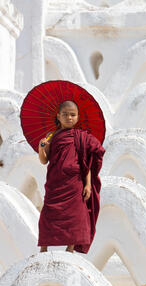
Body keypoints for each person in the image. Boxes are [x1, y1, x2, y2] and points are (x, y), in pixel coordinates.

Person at [38, 100, 105, 254]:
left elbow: (86, 163)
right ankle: (44, 248)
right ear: (58, 116)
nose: (69, 118)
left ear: (77, 117)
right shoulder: (51, 136)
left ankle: (71, 247)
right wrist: (41, 148)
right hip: (55, 183)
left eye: (73, 115)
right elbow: (44, 160)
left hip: (75, 183)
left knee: (76, 215)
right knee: (49, 213)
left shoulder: (81, 136)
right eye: (65, 114)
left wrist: (88, 185)